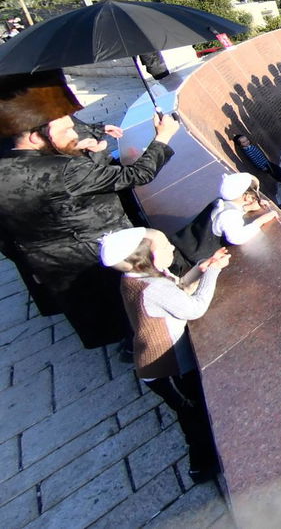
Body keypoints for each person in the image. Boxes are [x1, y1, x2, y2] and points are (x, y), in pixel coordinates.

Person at [0, 70, 181, 349]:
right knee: (130, 306)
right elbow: (137, 175)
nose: (74, 133)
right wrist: (163, 137)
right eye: (67, 131)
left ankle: (128, 341)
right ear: (36, 138)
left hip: (52, 262)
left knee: (103, 310)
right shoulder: (64, 170)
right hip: (94, 249)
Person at [101, 228, 229, 483]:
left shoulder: (135, 277)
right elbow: (195, 308)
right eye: (166, 245)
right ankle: (201, 465)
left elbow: (177, 288)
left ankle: (208, 449)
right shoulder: (153, 287)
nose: (172, 247)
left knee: (194, 408)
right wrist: (213, 272)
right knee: (192, 412)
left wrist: (201, 269)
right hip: (166, 366)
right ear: (150, 257)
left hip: (163, 363)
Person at [209, 172, 278, 246]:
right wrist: (261, 220)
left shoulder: (224, 202)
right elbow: (237, 238)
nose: (256, 198)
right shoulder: (229, 215)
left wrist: (247, 208)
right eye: (255, 196)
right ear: (247, 197)